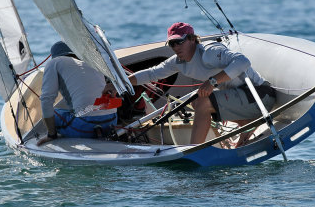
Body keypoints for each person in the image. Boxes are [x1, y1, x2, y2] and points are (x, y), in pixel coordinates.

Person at [103, 22, 275, 145]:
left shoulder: (209, 52)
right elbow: (151, 73)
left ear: (192, 39)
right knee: (197, 101)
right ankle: (248, 125)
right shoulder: (178, 62)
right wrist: (118, 84)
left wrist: (212, 82)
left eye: (180, 41)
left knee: (202, 102)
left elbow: (243, 62)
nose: (176, 47)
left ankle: (194, 149)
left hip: (260, 95)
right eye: (172, 43)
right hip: (242, 101)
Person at [37, 41, 117, 145]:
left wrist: (51, 135)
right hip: (112, 121)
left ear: (55, 56)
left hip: (84, 128)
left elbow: (46, 100)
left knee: (54, 113)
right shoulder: (92, 62)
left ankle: (55, 134)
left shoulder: (54, 62)